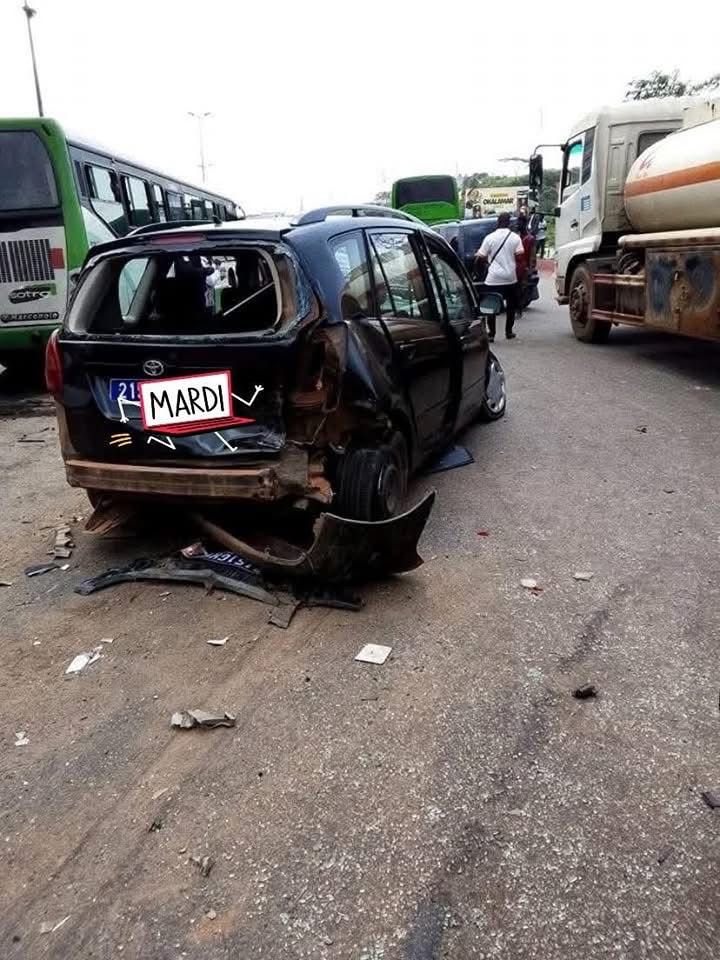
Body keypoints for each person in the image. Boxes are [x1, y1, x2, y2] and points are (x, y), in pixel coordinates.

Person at [475, 211, 526, 341]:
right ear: (509, 223)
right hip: (510, 278)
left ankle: (491, 334)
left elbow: (480, 257)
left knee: (490, 306)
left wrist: (484, 269)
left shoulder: (489, 237)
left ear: (498, 222)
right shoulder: (515, 238)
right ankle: (509, 332)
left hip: (493, 278)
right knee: (511, 306)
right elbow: (520, 258)